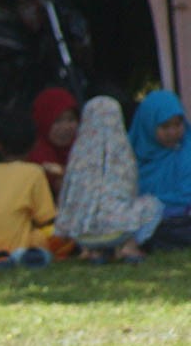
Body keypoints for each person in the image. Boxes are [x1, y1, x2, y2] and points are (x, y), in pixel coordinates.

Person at [55, 96, 163, 262]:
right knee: (153, 205)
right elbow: (129, 191)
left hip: (83, 235)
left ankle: (93, 252)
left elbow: (69, 199)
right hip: (118, 231)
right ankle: (129, 247)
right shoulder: (121, 153)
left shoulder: (78, 156)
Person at [0, 113, 57, 265]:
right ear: (36, 143)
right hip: (14, 249)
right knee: (55, 233)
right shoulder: (34, 172)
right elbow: (46, 218)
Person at [128, 89, 191, 249]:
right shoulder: (133, 158)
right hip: (153, 221)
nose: (173, 132)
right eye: (165, 126)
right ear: (148, 125)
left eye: (178, 124)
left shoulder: (186, 151)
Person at [26, 86, 79, 198]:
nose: (65, 127)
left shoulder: (83, 148)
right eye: (57, 121)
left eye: (71, 119)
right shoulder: (38, 156)